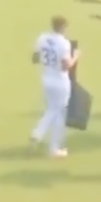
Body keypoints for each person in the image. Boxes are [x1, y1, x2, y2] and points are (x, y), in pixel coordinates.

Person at [30, 15, 77, 158]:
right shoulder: (64, 43)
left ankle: (54, 148)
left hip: (46, 79)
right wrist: (76, 56)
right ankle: (37, 133)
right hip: (60, 82)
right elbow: (66, 66)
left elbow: (34, 59)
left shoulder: (42, 38)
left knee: (56, 113)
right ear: (63, 27)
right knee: (56, 111)